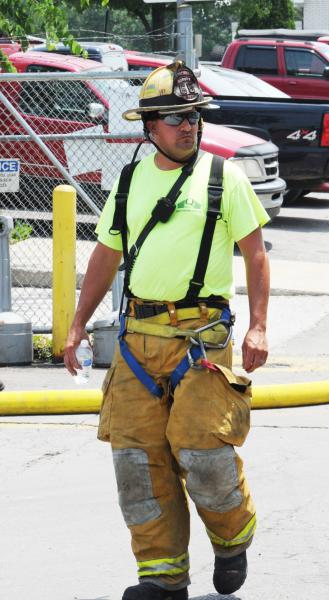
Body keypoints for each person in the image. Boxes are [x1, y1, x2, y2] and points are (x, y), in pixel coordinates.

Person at [64, 61, 270, 600]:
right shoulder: (130, 182)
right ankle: (162, 577)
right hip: (137, 341)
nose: (189, 126)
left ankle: (232, 539)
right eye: (175, 118)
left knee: (202, 449)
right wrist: (76, 326)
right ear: (149, 127)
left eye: (194, 116)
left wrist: (259, 328)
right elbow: (106, 255)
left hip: (203, 339)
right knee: (136, 459)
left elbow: (255, 254)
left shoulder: (225, 179)